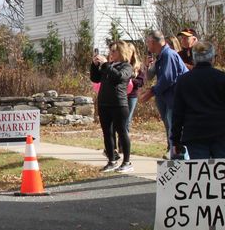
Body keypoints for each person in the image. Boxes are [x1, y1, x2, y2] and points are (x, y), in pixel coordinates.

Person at [171, 42, 225, 159]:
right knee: (221, 173)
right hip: (220, 132)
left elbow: (178, 113)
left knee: (200, 174)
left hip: (194, 133)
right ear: (212, 58)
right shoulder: (221, 78)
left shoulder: (183, 81)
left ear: (194, 59)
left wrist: (175, 140)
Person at [139, 29, 187, 158]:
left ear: (153, 42)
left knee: (176, 133)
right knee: (172, 131)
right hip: (167, 100)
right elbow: (148, 77)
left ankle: (181, 162)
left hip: (176, 100)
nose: (147, 46)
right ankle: (176, 160)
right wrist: (146, 66)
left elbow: (168, 78)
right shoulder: (160, 56)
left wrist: (151, 92)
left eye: (148, 42)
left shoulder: (168, 55)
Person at [90, 42, 134, 173]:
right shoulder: (108, 66)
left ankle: (127, 161)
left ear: (121, 52)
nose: (111, 54)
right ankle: (112, 160)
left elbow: (118, 77)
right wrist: (94, 65)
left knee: (122, 132)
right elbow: (95, 78)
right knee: (107, 133)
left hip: (119, 104)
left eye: (114, 51)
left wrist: (105, 64)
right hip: (104, 103)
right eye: (110, 51)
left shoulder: (126, 66)